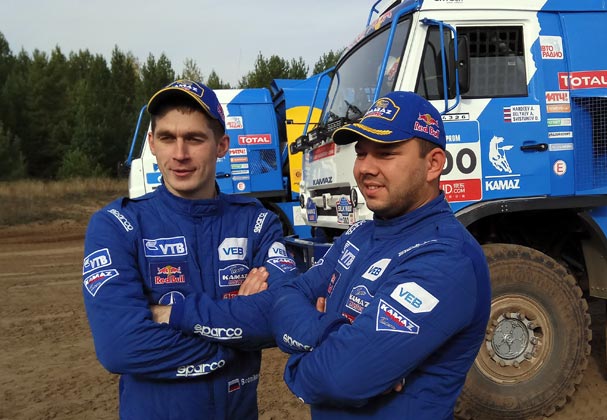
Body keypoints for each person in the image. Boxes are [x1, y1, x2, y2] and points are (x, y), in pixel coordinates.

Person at [152, 91, 492, 419]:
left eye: (386, 154)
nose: (365, 168)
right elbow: (284, 295)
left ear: (433, 164)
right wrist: (333, 336)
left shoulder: (447, 257)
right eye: (361, 153)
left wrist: (297, 364)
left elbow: (340, 377)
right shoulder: (359, 234)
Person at [82, 79, 297, 420]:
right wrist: (235, 336)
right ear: (152, 144)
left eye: (195, 139)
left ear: (221, 145)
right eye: (168, 138)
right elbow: (120, 347)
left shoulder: (257, 222)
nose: (180, 154)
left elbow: (284, 317)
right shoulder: (117, 225)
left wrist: (172, 315)